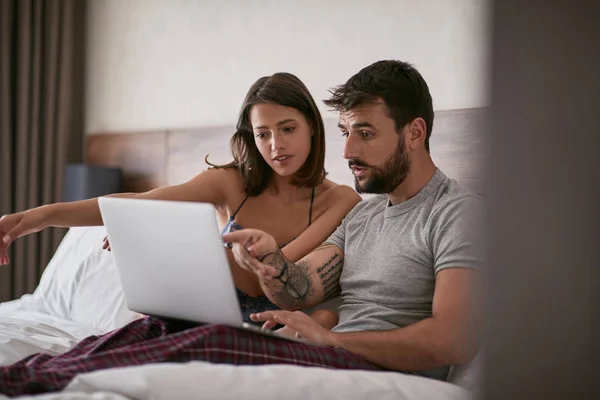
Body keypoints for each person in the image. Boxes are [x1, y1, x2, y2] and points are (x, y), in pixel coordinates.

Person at [0, 61, 483, 396]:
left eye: (366, 133)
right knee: (150, 328)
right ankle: (28, 376)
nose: (350, 150)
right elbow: (302, 286)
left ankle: (26, 383)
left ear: (415, 133)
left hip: (355, 358)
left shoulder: (456, 213)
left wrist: (332, 338)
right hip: (320, 345)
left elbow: (453, 342)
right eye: (347, 133)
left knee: (209, 341)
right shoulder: (365, 214)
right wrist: (272, 260)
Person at [0, 72, 360, 326]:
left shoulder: (339, 201)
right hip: (185, 318)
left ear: (312, 124)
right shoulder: (230, 183)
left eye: (288, 129)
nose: (276, 145)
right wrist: (40, 217)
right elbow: (142, 200)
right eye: (262, 134)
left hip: (259, 328)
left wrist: (191, 242)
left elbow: (265, 277)